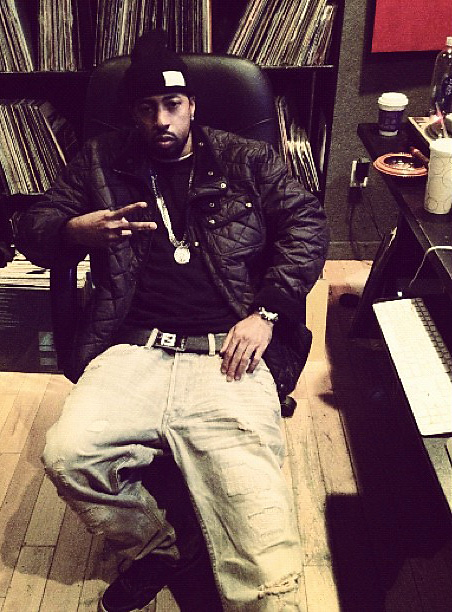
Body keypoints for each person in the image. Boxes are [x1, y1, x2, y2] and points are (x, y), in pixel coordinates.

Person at [13, 31, 328, 612]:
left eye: (172, 104)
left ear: (192, 105)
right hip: (131, 349)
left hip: (227, 351)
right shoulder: (100, 160)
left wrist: (266, 312)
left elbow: (307, 225)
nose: (161, 119)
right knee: (69, 455)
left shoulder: (247, 158)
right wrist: (73, 231)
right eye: (147, 107)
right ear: (133, 113)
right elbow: (32, 227)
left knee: (267, 566)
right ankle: (156, 546)